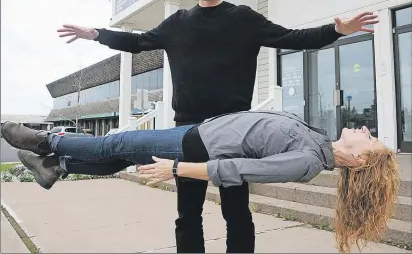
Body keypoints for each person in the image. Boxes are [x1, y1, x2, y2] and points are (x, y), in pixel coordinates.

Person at [56, 0, 379, 253]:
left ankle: (57, 161)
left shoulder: (243, 19)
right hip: (187, 130)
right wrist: (97, 34)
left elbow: (291, 37)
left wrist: (337, 31)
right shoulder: (177, 23)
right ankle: (59, 163)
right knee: (187, 214)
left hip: (233, 133)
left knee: (237, 213)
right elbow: (137, 42)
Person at [1, 110, 398, 253]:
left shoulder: (307, 162)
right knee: (121, 155)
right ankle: (60, 167)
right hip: (201, 131)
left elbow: (239, 171)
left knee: (116, 143)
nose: (364, 127)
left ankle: (45, 141)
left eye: (370, 136)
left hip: (196, 146)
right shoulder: (317, 138)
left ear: (361, 159)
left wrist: (176, 170)